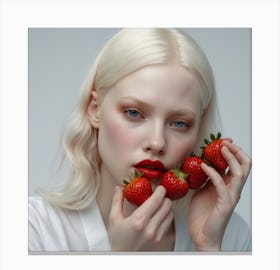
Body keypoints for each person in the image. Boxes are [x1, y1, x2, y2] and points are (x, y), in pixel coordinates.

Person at [28, 28, 252, 252]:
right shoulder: (35, 229)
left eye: (179, 123)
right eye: (134, 113)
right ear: (95, 109)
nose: (157, 143)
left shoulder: (229, 236)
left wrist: (208, 248)